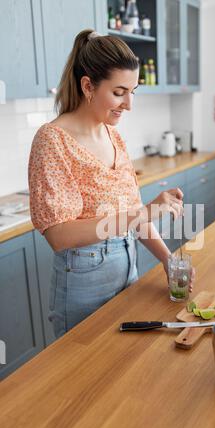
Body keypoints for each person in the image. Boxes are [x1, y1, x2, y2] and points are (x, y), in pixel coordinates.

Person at [28, 29, 194, 339]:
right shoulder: (52, 141)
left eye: (134, 91)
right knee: (84, 380)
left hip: (127, 269)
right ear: (88, 86)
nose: (129, 104)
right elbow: (59, 235)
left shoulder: (112, 135)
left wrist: (167, 260)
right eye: (119, 92)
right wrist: (143, 213)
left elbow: (131, 212)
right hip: (82, 283)